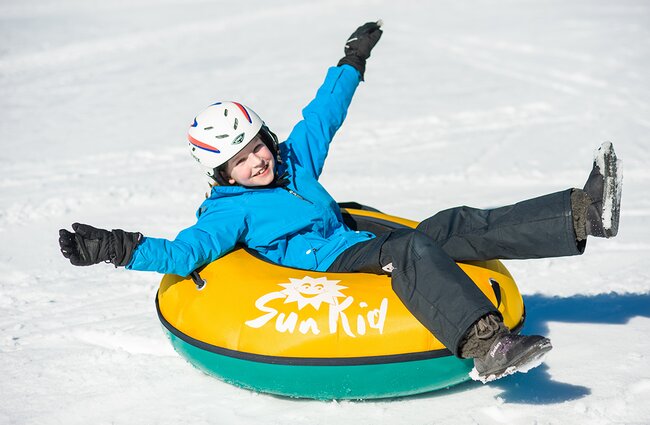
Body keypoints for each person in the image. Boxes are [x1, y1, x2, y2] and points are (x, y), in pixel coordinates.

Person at [58, 21, 622, 383]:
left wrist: (352, 62)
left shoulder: (293, 161)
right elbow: (186, 254)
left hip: (350, 236)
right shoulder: (229, 211)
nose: (257, 162)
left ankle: (582, 213)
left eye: (257, 146)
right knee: (409, 252)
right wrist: (116, 246)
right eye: (240, 160)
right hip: (325, 264)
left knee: (452, 223)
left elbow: (322, 115)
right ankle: (486, 345)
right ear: (221, 172)